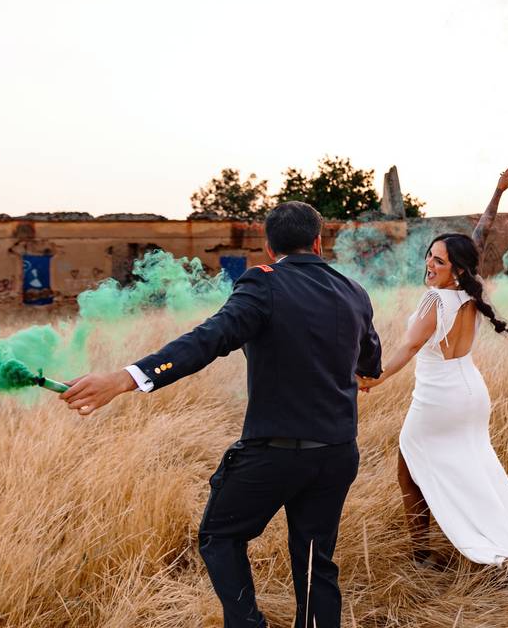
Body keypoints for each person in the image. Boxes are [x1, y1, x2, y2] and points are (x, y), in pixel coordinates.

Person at [59, 201, 383, 628]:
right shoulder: (353, 291)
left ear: (268, 248)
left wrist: (126, 378)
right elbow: (370, 364)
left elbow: (209, 339)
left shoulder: (264, 283)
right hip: (338, 452)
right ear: (319, 242)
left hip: (275, 454)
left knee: (220, 536)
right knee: (314, 561)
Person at [357, 170, 508, 584]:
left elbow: (408, 349)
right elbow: (480, 233)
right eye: (430, 255)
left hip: (439, 398)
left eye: (438, 261)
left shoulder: (435, 299)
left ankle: (427, 553)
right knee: (477, 468)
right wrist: (497, 190)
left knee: (409, 469)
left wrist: (374, 379)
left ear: (454, 269)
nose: (429, 263)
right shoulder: (469, 287)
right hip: (470, 391)